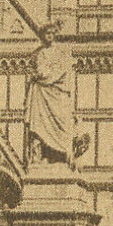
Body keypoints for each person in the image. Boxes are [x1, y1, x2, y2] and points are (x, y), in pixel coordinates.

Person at [25, 22, 84, 166]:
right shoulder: (39, 53)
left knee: (61, 121)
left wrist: (46, 75)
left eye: (52, 33)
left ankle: (61, 156)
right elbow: (39, 70)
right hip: (42, 94)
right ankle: (44, 155)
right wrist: (42, 75)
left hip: (57, 93)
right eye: (47, 33)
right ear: (43, 36)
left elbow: (63, 71)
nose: (49, 36)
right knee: (41, 125)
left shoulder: (60, 54)